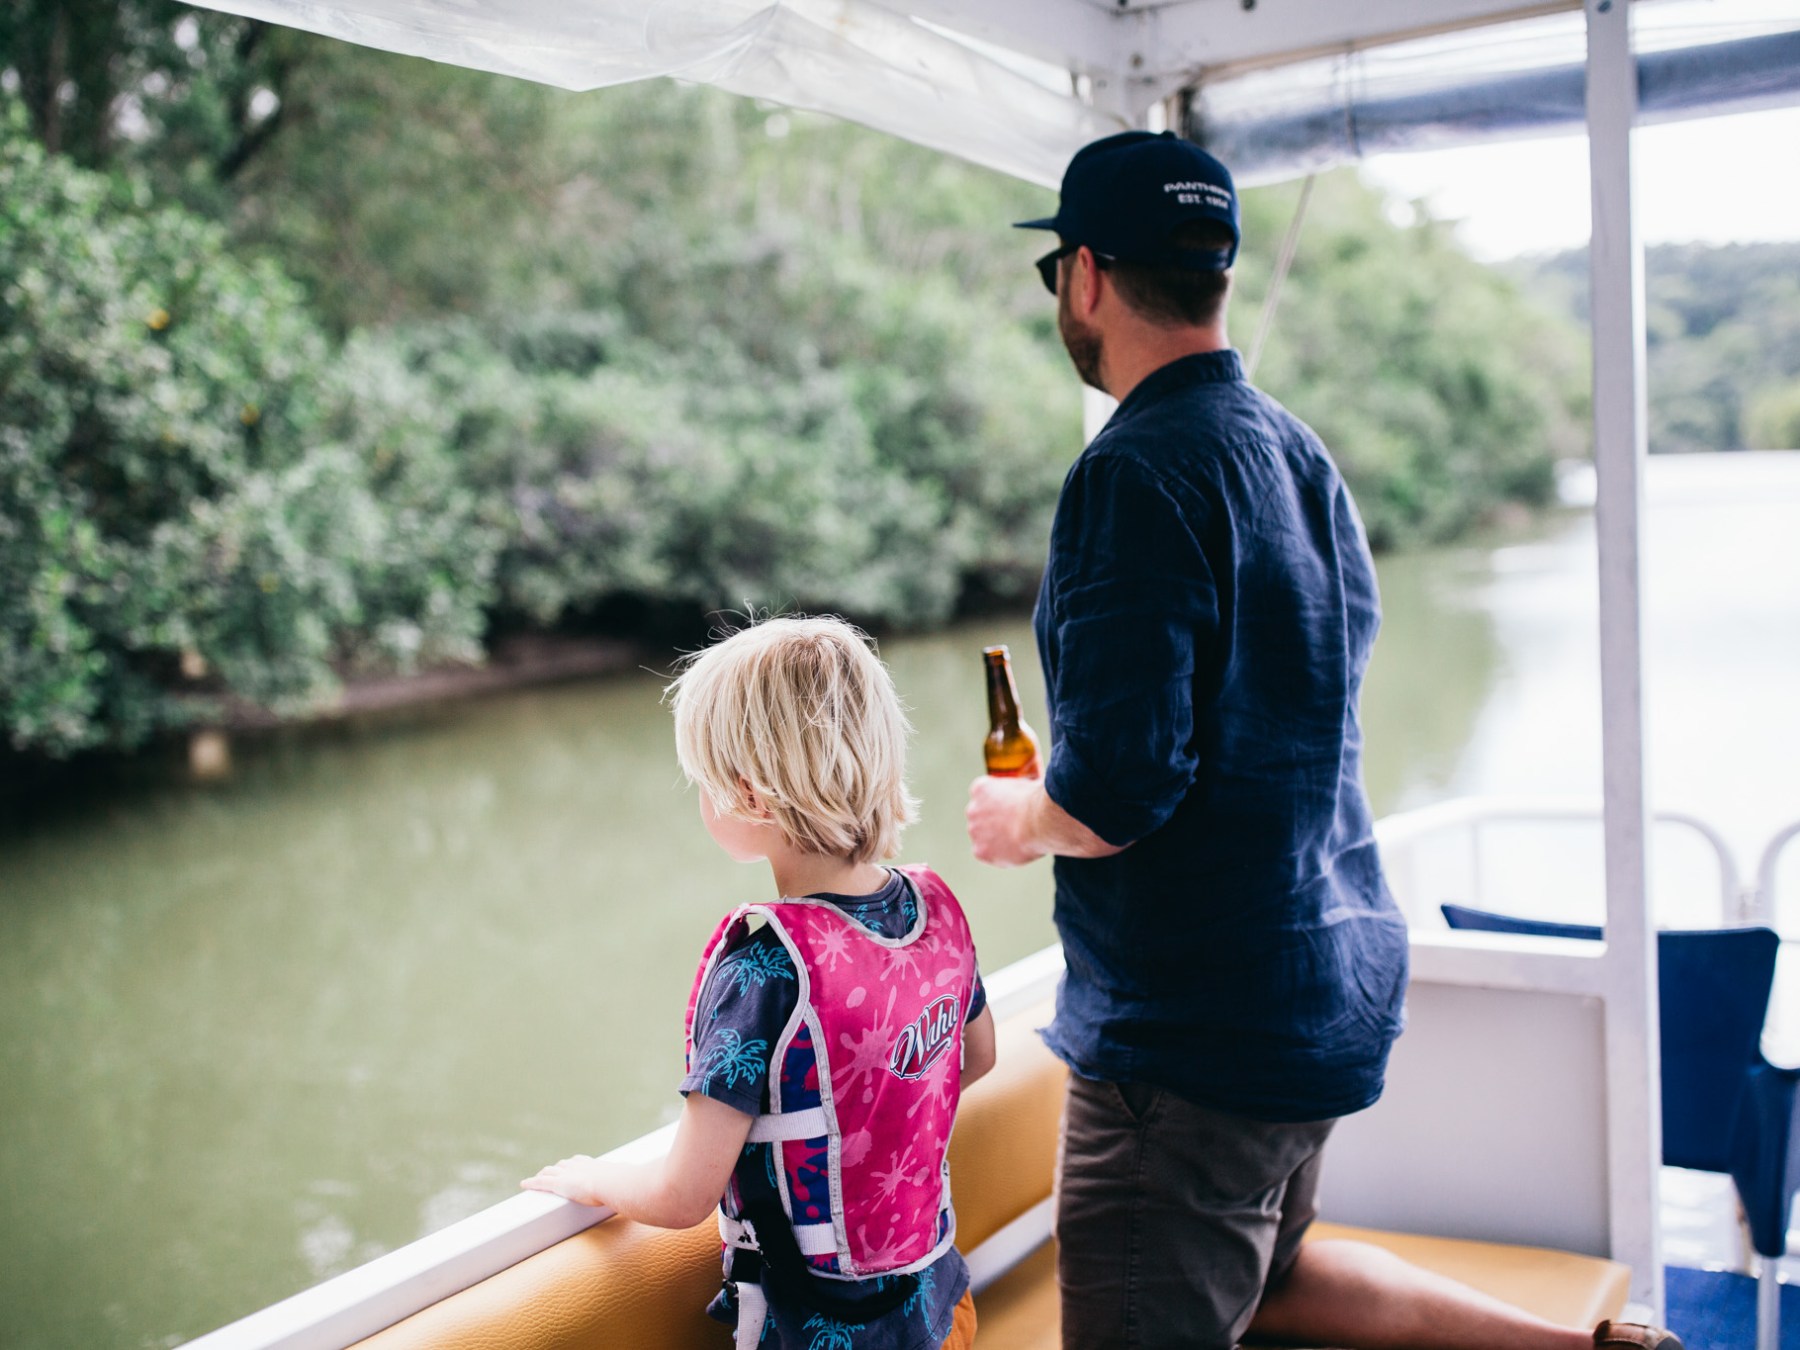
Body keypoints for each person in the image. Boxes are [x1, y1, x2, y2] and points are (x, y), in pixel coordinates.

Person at [965, 130, 1682, 1350]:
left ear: (1085, 275)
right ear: (1219, 274)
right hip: (1325, 986)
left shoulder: (1130, 475)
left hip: (1187, 1041)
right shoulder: (1299, 453)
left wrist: (1023, 818)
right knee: (1278, 1278)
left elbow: (1119, 787)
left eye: (1057, 280)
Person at [527, 614, 996, 1350]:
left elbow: (684, 1195)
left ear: (750, 798)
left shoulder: (765, 965)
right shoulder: (933, 908)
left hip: (821, 1333)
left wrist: (596, 1182)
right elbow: (977, 1057)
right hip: (940, 1307)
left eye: (705, 784)